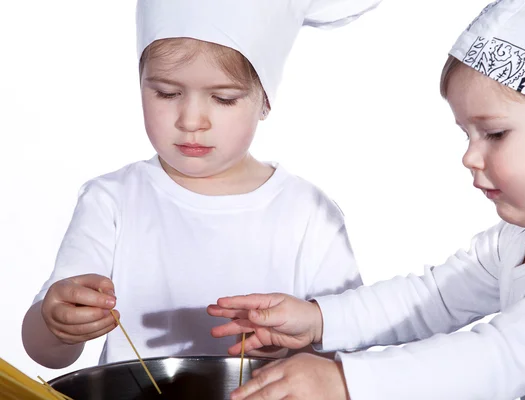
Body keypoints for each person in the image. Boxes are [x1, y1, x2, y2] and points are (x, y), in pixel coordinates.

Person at [208, 0, 525, 398]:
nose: (469, 157)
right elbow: (435, 298)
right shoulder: (518, 238)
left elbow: (503, 356)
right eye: (468, 135)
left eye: (495, 134)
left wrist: (346, 382)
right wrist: (319, 319)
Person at [21, 0, 381, 369]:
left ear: (265, 101)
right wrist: (56, 324)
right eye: (166, 93)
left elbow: (346, 353)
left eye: (223, 98)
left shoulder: (309, 214)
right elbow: (45, 350)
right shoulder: (111, 202)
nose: (191, 120)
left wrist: (293, 347)